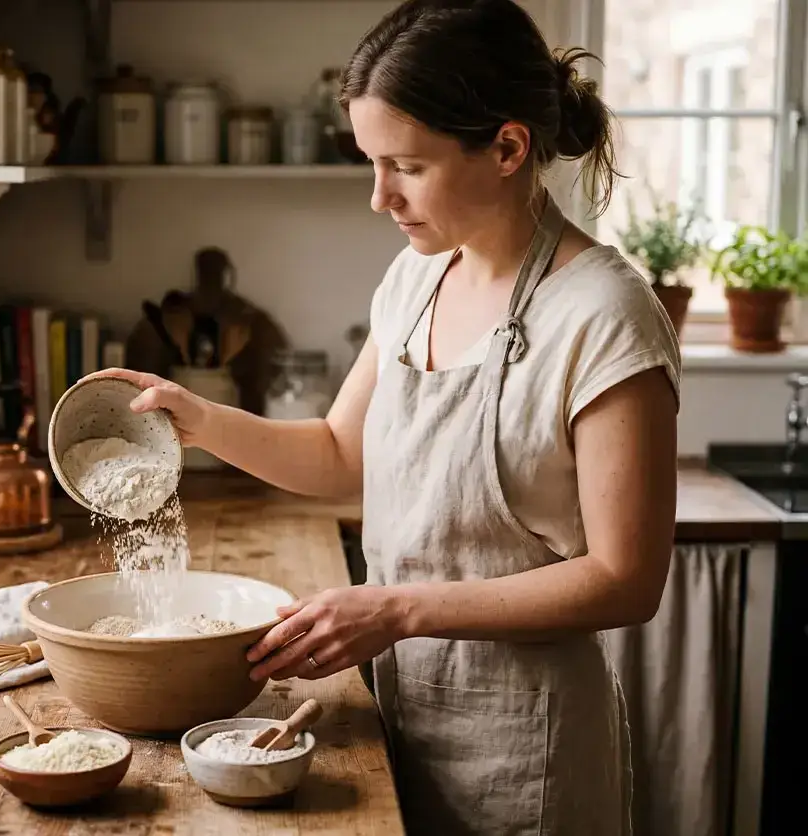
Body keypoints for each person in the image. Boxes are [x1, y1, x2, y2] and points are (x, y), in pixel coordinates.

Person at [91, 0, 679, 831]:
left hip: (525, 757)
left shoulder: (603, 314)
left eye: (404, 165)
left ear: (508, 148)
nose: (379, 198)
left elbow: (627, 579)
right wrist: (199, 420)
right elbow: (338, 452)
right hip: (398, 718)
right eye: (370, 162)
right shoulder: (417, 279)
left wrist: (397, 608)